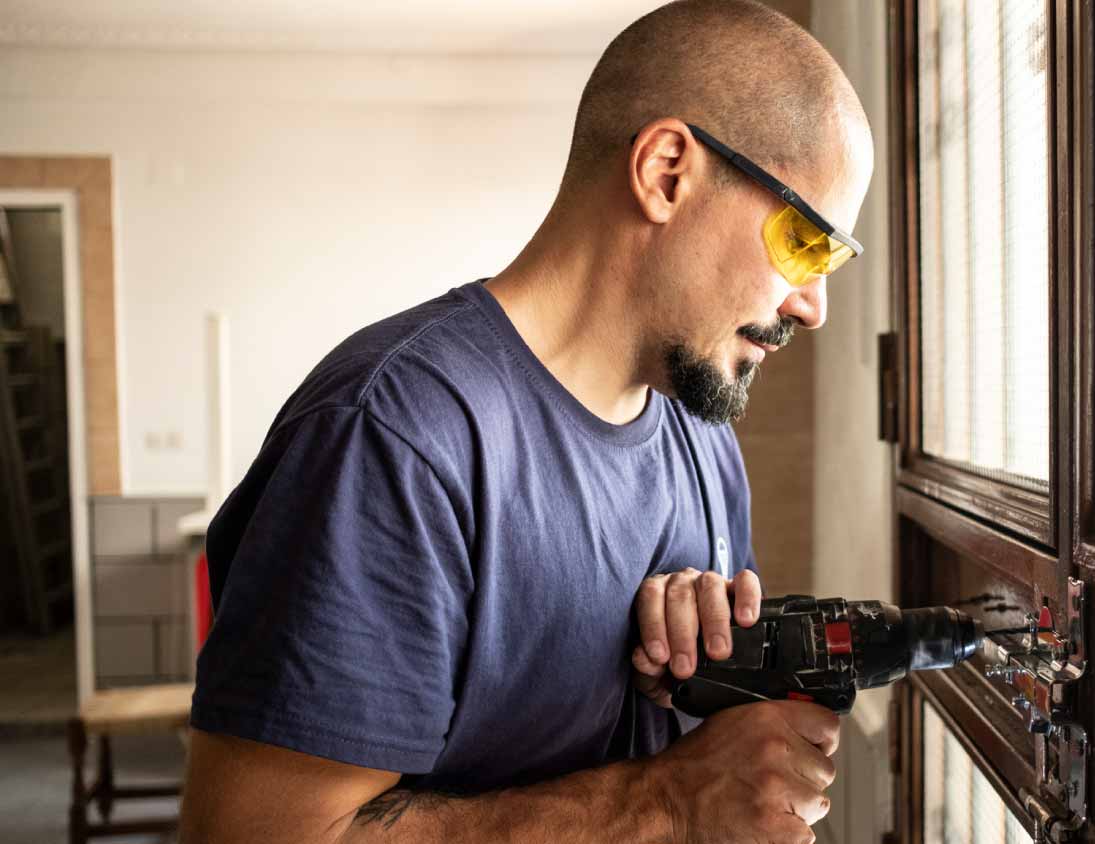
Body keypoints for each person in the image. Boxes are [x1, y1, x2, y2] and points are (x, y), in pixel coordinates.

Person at [178, 1, 874, 841]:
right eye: (806, 242)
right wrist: (666, 802)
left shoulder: (704, 442)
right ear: (665, 172)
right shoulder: (395, 436)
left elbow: (708, 764)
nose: (815, 305)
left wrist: (701, 679)